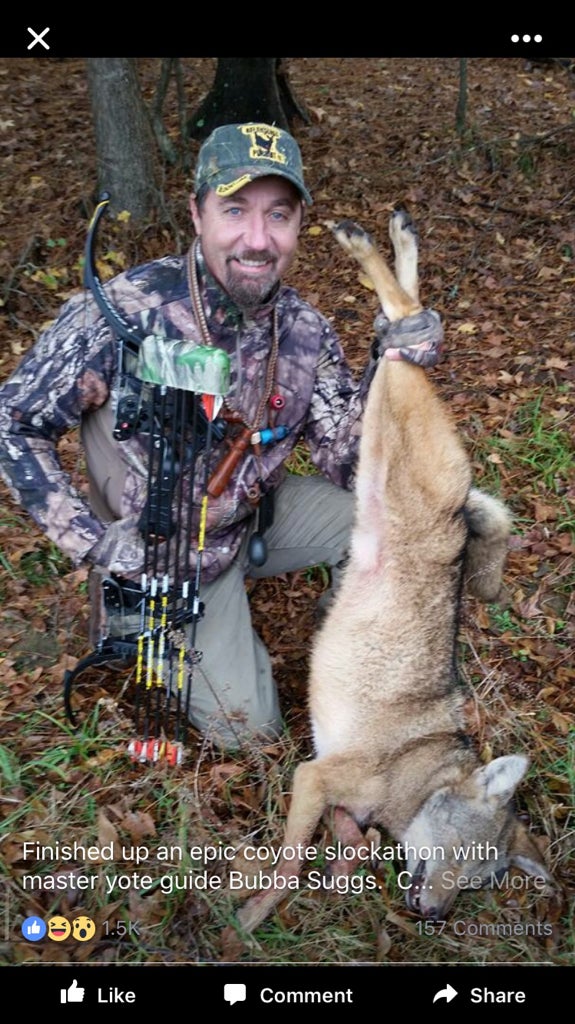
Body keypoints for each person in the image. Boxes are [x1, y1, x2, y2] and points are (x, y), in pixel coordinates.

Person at [0, 122, 440, 750]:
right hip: (160, 558)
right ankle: (136, 622)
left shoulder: (305, 332)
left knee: (397, 525)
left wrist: (392, 366)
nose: (257, 240)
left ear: (298, 225)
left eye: (278, 215)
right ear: (197, 213)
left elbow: (350, 463)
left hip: (250, 520)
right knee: (250, 736)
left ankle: (346, 663)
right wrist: (96, 545)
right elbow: (14, 420)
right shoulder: (128, 310)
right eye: (235, 210)